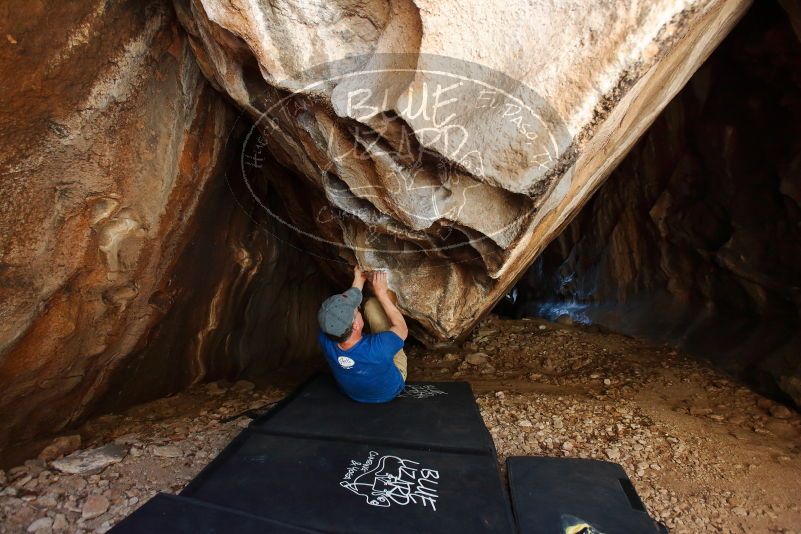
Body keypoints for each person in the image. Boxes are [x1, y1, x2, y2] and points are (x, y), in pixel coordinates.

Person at [317, 266, 408, 403]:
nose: (357, 308)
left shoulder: (325, 338)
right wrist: (381, 293)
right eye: (356, 310)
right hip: (389, 391)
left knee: (370, 307)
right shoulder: (379, 347)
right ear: (356, 325)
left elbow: (340, 314)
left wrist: (358, 280)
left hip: (353, 393)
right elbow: (402, 329)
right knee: (372, 306)